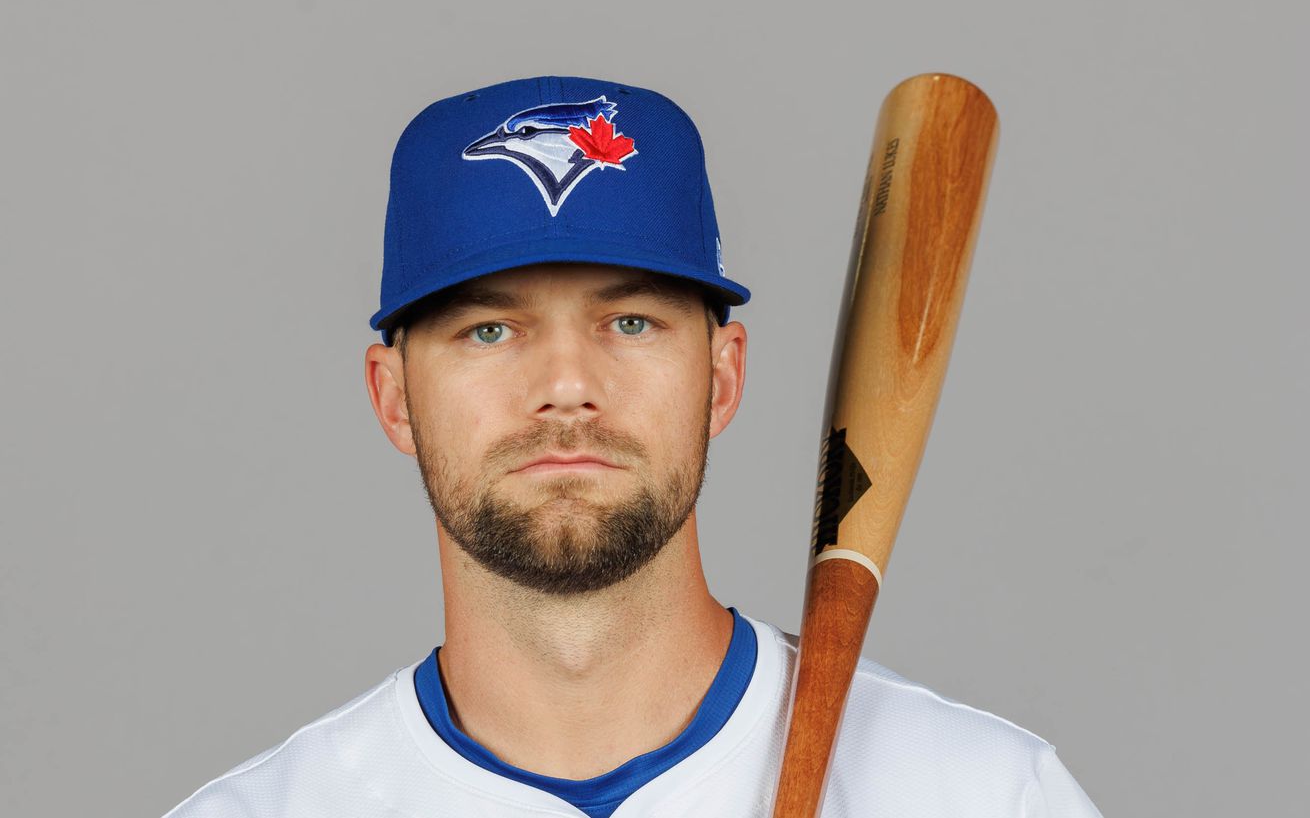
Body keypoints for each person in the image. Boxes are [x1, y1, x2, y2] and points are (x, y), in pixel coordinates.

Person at [164, 76, 1102, 817]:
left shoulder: (979, 795)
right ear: (393, 396)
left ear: (723, 376)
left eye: (633, 322)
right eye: (490, 329)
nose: (567, 383)